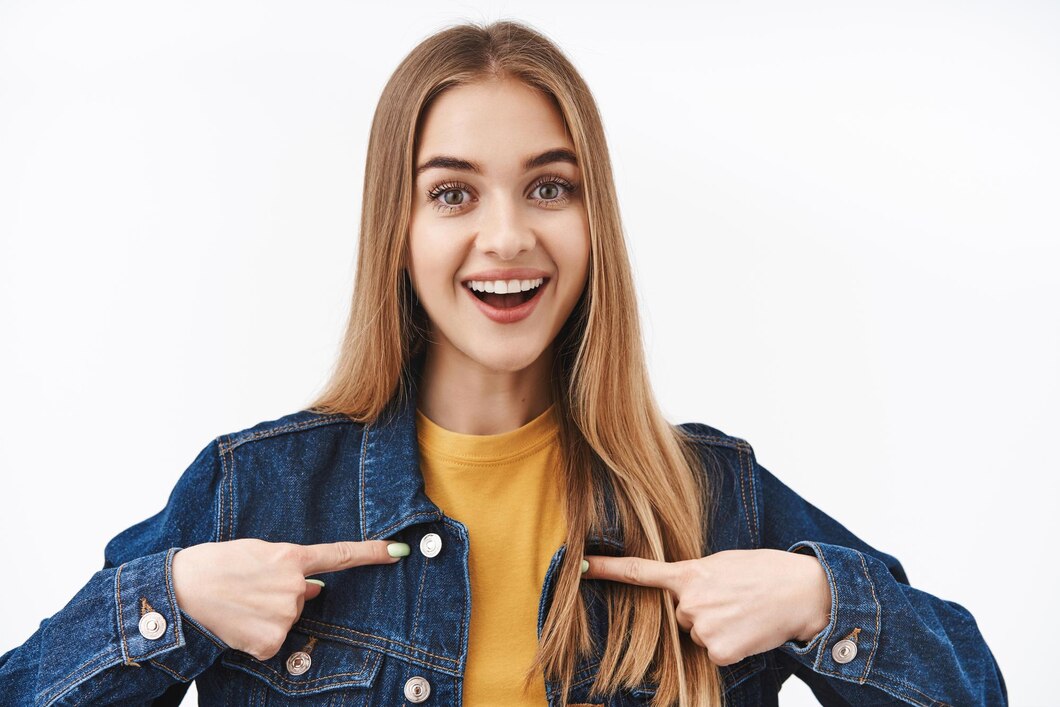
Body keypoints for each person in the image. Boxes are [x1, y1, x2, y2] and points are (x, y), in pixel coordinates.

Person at [0, 19, 1006, 707]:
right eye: (452, 194)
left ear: (593, 219)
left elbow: (976, 686)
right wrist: (171, 598)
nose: (506, 236)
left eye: (549, 187)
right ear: (395, 230)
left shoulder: (713, 495)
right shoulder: (253, 488)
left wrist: (816, 601)